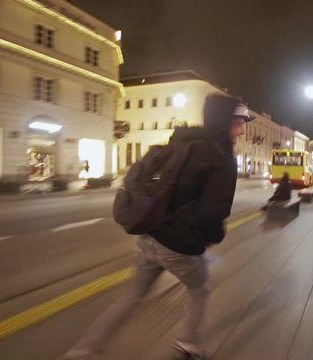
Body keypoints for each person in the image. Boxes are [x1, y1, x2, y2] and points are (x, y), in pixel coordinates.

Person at [63, 94, 253, 360]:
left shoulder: (182, 143)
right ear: (224, 121)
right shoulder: (220, 157)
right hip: (179, 245)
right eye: (238, 122)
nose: (242, 129)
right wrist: (212, 236)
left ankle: (82, 351)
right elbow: (214, 211)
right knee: (200, 290)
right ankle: (188, 345)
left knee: (131, 296)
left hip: (149, 236)